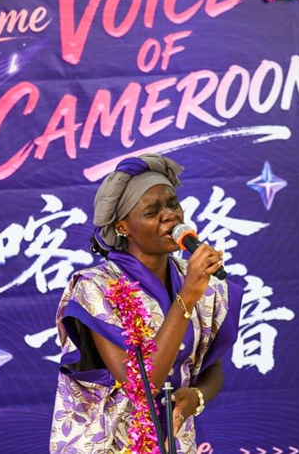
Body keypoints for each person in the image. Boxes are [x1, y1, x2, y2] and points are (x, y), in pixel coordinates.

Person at [50, 154, 243, 453]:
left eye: (173, 204)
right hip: (111, 444)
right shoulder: (95, 287)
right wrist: (188, 296)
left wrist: (197, 396)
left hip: (177, 443)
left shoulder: (196, 280)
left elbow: (211, 367)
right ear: (123, 227)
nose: (170, 216)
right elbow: (141, 386)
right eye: (153, 210)